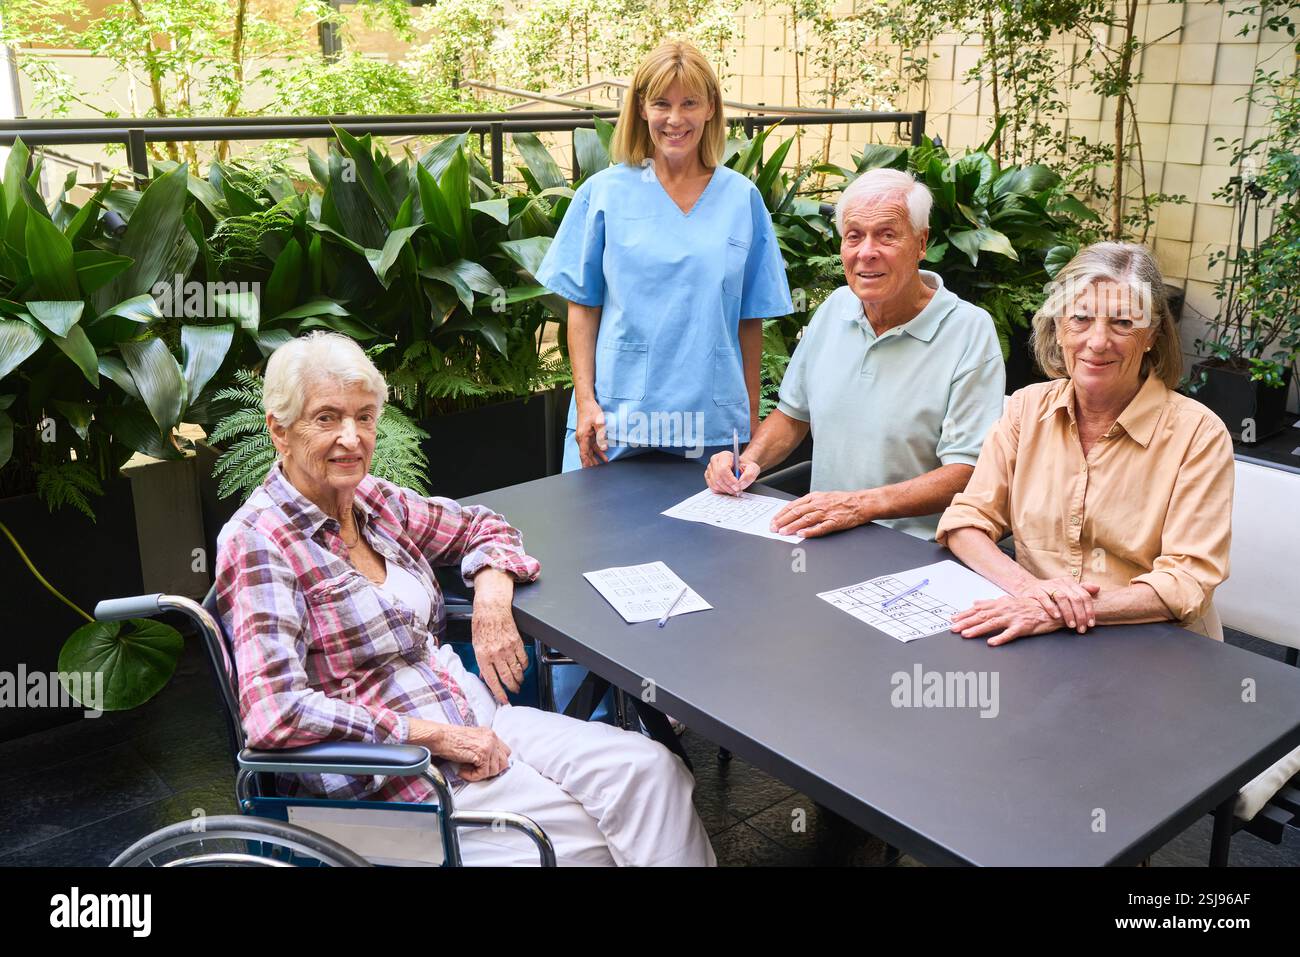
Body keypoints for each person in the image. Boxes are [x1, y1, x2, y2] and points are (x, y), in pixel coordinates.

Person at [214, 332, 715, 866]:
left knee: (653, 774)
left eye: (364, 417)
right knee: (595, 846)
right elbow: (276, 714)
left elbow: (484, 528)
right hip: (401, 782)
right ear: (279, 431)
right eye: (327, 418)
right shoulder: (259, 543)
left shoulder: (374, 501)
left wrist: (492, 599)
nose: (352, 438)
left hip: (476, 716)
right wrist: (434, 738)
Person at [936, 242, 1234, 645]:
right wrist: (1029, 591)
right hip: (1037, 631)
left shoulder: (1198, 434)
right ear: (1058, 327)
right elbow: (966, 522)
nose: (1097, 341)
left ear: (1152, 335)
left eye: (1123, 323)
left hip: (1156, 646)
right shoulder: (1026, 408)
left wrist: (1056, 609)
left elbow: (1187, 582)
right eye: (1080, 318)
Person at [704, 167, 1005, 541]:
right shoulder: (835, 307)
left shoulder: (969, 330)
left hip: (915, 549)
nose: (867, 253)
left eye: (886, 236)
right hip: (825, 533)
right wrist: (747, 462)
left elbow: (966, 470)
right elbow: (793, 415)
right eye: (854, 236)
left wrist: (860, 505)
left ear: (921, 243)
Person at [537, 38, 793, 471]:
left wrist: (747, 421)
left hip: (710, 425)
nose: (675, 119)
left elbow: (751, 319)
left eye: (690, 103)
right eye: (661, 104)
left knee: (706, 538)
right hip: (614, 422)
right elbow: (581, 307)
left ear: (711, 108)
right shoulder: (602, 195)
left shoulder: (741, 199)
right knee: (598, 536)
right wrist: (586, 403)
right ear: (641, 109)